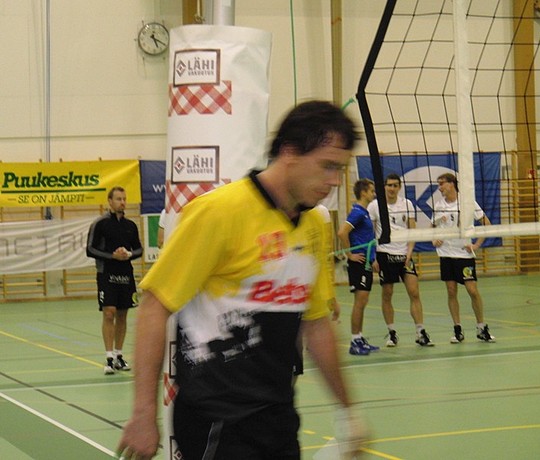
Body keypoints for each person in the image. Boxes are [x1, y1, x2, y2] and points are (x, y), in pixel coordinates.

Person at [118, 100, 368, 460]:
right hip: (216, 420)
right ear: (289, 153)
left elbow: (316, 326)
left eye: (340, 169)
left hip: (279, 416)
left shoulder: (314, 224)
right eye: (327, 166)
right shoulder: (218, 212)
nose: (334, 181)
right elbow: (155, 307)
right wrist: (144, 413)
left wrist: (348, 411)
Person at [367, 173, 434, 347]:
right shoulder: (374, 206)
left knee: (414, 292)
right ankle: (392, 333)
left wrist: (409, 252)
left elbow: (412, 230)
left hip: (404, 254)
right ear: (384, 187)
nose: (392, 188)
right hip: (384, 253)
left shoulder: (407, 204)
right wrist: (373, 258)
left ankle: (420, 332)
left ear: (399, 187)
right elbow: (370, 233)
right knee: (387, 293)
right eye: (389, 185)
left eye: (395, 185)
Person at [432, 172, 496, 343]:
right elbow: (432, 226)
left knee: (472, 290)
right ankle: (457, 329)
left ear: (452, 183)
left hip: (463, 255)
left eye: (442, 183)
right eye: (438, 184)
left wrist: (476, 245)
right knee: (451, 291)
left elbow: (487, 224)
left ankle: (481, 327)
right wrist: (434, 239)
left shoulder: (467, 202)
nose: (439, 187)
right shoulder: (438, 205)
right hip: (446, 254)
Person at [86, 186, 143, 375]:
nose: (122, 202)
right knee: (109, 313)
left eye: (124, 199)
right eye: (118, 199)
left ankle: (119, 355)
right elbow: (90, 249)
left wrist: (128, 254)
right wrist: (112, 256)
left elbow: (139, 249)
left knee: (123, 314)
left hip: (126, 274)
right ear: (110, 201)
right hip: (106, 274)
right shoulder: (100, 224)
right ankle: (109, 357)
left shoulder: (130, 226)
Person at [337, 178, 380, 355]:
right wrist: (349, 254)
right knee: (360, 301)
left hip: (366, 262)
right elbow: (342, 232)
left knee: (363, 301)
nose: (374, 194)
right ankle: (355, 341)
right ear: (363, 192)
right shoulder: (357, 212)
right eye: (371, 191)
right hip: (358, 264)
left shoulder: (364, 212)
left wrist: (373, 259)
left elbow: (367, 239)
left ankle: (360, 338)